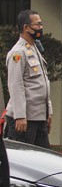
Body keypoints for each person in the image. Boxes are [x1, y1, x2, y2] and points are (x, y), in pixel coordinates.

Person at [4, 10, 52, 148]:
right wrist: (19, 116)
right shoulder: (17, 52)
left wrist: (48, 112)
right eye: (37, 24)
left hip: (39, 117)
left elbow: (43, 83)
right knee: (24, 161)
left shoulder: (34, 48)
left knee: (43, 159)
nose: (41, 28)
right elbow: (15, 85)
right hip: (25, 119)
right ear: (26, 28)